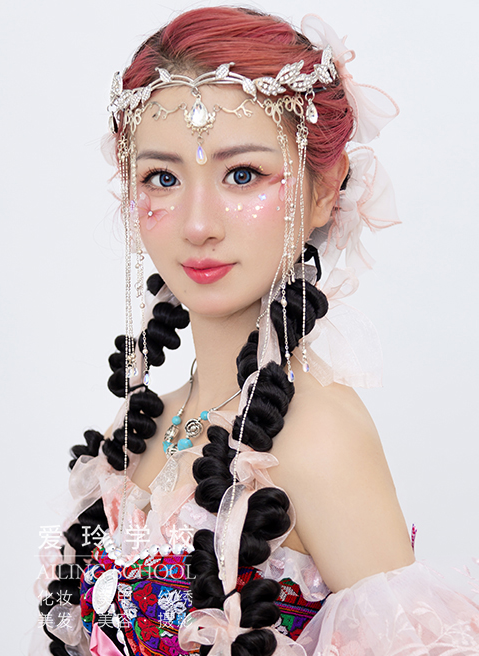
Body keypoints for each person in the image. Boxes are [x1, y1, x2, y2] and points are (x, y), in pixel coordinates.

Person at [32, 6, 479, 656]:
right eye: (162, 178)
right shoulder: (131, 433)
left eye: (242, 175)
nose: (198, 224)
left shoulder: (319, 437)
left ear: (325, 190)